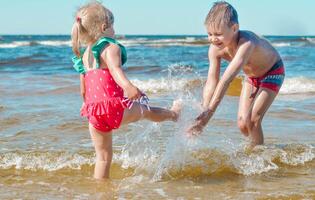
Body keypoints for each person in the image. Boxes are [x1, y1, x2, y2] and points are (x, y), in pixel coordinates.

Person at [71, 2, 181, 179]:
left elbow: (83, 89)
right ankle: (174, 114)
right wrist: (128, 87)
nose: (114, 30)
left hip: (93, 112)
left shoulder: (85, 55)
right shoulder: (110, 47)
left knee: (103, 158)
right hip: (113, 108)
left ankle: (101, 192)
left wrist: (87, 105)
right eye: (113, 25)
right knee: (147, 111)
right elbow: (115, 70)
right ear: (104, 27)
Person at [188, 1, 285, 147]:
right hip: (252, 77)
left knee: (253, 119)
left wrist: (206, 120)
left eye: (218, 34)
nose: (213, 39)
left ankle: (258, 154)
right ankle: (256, 144)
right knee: (242, 124)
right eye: (209, 34)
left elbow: (225, 81)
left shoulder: (247, 44)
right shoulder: (214, 49)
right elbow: (212, 81)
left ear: (234, 28)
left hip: (273, 72)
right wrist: (204, 108)